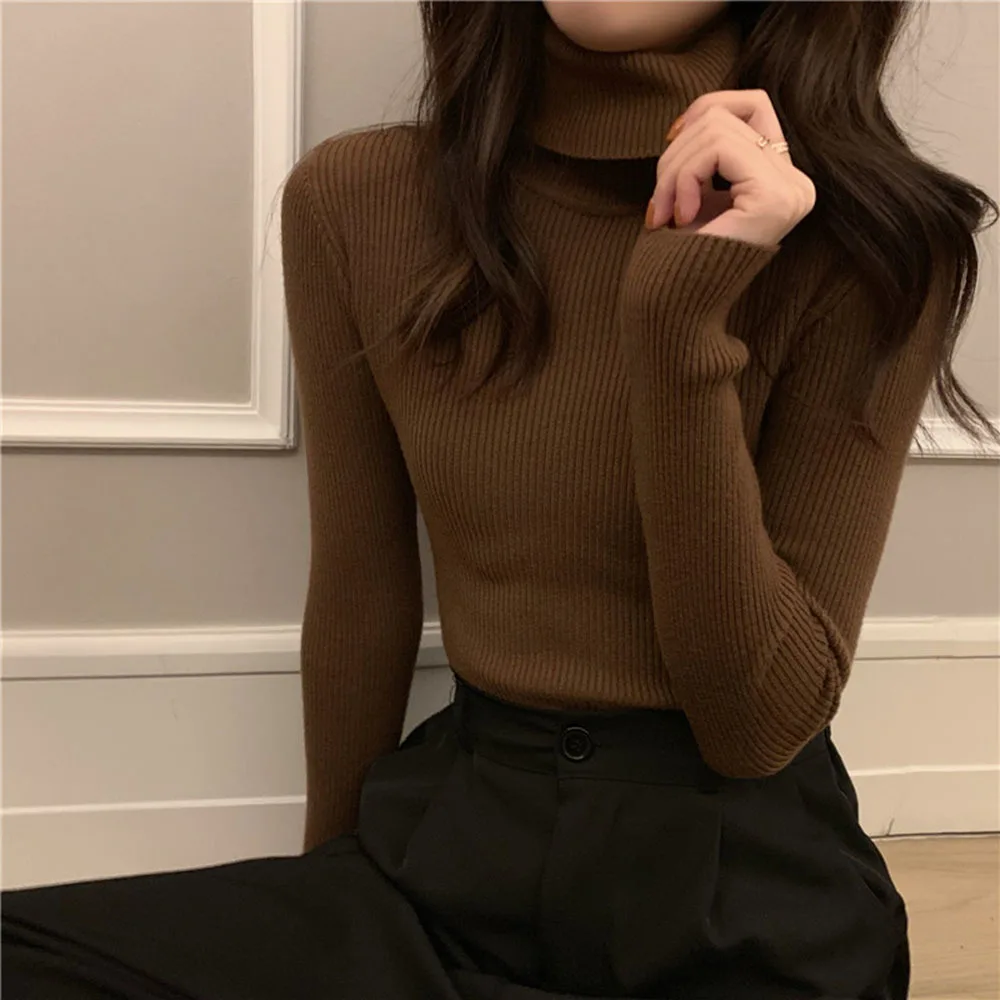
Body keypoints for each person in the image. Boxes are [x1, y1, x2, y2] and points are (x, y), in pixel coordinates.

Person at [3, 1, 998, 998]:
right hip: (454, 859)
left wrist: (678, 330)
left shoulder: (875, 242)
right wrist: (323, 906)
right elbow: (360, 590)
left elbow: (757, 723)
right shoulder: (358, 198)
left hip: (736, 908)